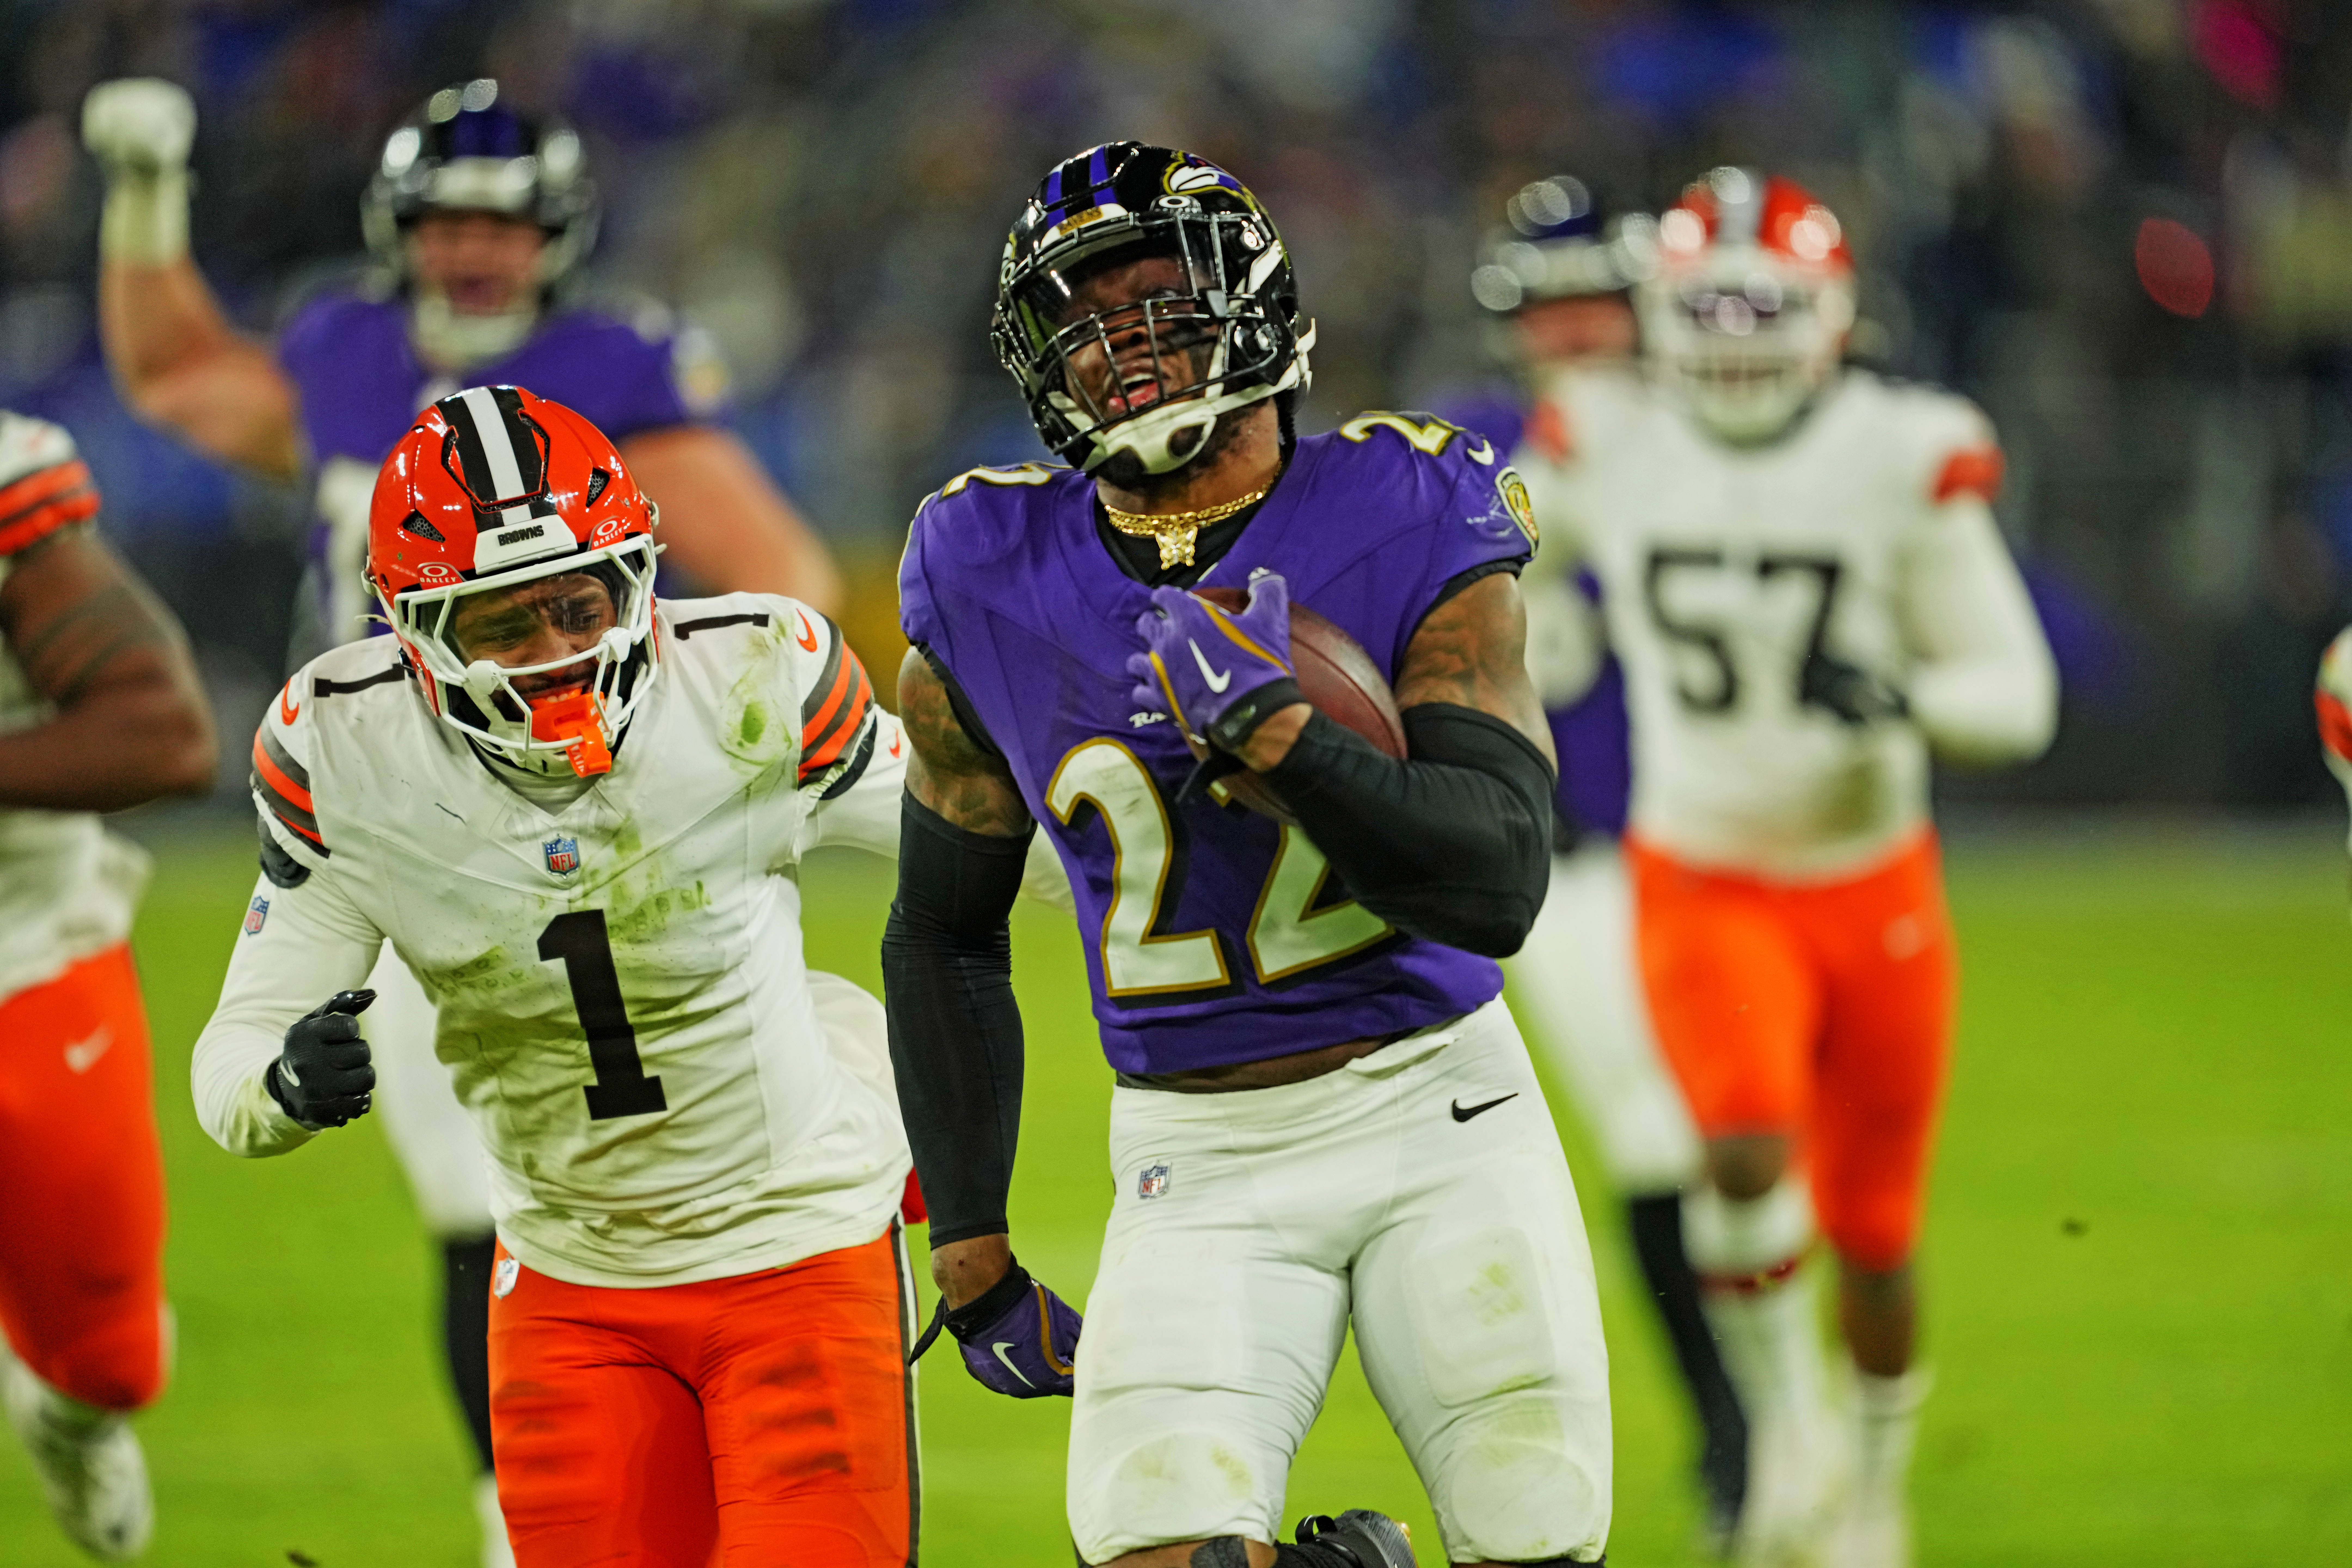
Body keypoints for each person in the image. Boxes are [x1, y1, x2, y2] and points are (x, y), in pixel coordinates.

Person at [82, 75, 842, 1561]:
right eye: (443, 223)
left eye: (501, 226)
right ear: (397, 230)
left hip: (574, 835)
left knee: (578, 1196)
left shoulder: (606, 366)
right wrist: (146, 194)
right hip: (389, 824)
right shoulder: (351, 352)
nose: (473, 254)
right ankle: (545, 1520)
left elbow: (783, 579)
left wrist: (669, 756)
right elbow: (178, 378)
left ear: (553, 235)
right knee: (474, 1200)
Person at [885, 142, 1612, 1568]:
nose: (1125, 341)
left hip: (1435, 1109)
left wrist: (1292, 744)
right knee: (1148, 1546)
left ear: (1260, 308)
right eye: (1087, 313)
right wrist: (969, 1242)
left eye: (1163, 296)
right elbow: (942, 927)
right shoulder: (984, 568)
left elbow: (1500, 875)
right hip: (1195, 1152)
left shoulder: (1406, 511)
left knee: (1536, 1535)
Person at [190, 386, 920, 1567]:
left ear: (635, 578)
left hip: (795, 1246)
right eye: (501, 625)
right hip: (570, 1281)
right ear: (414, 632)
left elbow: (1001, 849)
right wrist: (282, 1084)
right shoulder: (348, 756)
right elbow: (229, 1068)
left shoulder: (748, 680)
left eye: (579, 606)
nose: (555, 655)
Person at [1516, 167, 2057, 1568]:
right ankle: (1787, 1428)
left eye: (1767, 302)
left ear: (1833, 312)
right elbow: (1517, 562)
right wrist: (1528, 640)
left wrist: (1905, 701)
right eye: (1714, 303)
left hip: (1870, 879)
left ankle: (1873, 1487)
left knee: (1876, 1236)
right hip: (1701, 869)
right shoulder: (1605, 442)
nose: (1741, 330)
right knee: (1741, 1144)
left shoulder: (1903, 447)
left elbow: (2018, 691)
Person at [1472, 175, 1750, 1546]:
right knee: (1663, 1137)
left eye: (1599, 303)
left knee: (1765, 1144)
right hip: (1571, 860)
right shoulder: (1479, 452)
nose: (1579, 333)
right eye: (1553, 309)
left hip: (1732, 848)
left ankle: (1765, 1421)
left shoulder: (1715, 440)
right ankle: (1734, 1429)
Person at [0, 410, 218, 1560]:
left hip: (22, 948)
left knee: (111, 1362)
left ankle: (67, 1421)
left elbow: (165, 733)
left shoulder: (10, 493)